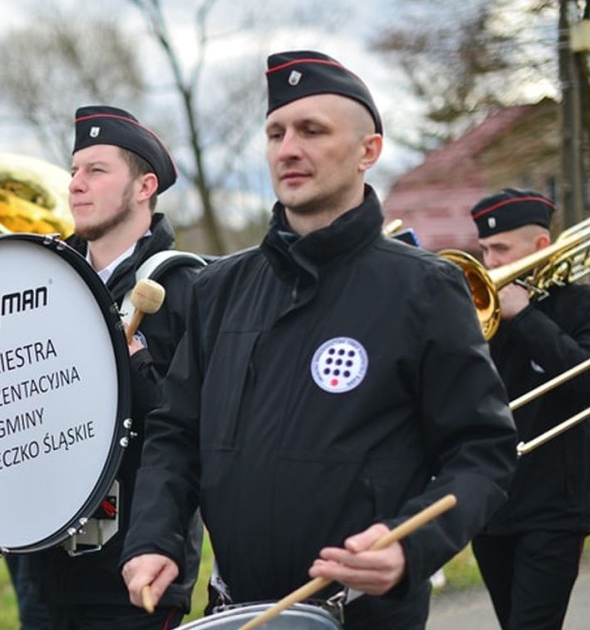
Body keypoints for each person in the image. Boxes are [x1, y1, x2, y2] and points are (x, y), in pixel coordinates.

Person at [120, 50, 519, 629]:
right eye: (276, 132)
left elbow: (483, 452)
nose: (288, 148)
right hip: (237, 612)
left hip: (366, 617)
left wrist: (411, 547)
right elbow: (176, 434)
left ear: (368, 151)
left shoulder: (425, 289)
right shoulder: (219, 288)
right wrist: (153, 538)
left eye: (312, 131)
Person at [20, 105, 204, 630]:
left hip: (139, 567)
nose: (75, 184)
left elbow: (187, 431)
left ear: (145, 186)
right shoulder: (43, 283)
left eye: (96, 170)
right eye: (74, 170)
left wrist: (133, 364)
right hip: (46, 564)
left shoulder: (188, 289)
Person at [468, 189, 590, 630]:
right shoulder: (478, 314)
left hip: (555, 505)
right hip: (492, 504)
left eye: (500, 249)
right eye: (484, 249)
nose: (490, 260)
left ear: (539, 247)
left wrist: (527, 315)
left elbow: (588, 384)